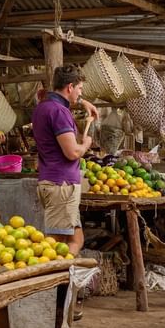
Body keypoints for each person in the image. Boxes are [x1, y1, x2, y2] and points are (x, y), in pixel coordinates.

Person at [32, 65, 98, 257]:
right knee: (54, 245)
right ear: (69, 87)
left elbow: (59, 97)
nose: (80, 94)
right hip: (62, 185)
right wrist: (86, 144)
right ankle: (54, 282)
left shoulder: (42, 107)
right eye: (80, 89)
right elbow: (72, 152)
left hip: (52, 182)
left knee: (76, 239)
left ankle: (66, 284)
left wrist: (83, 101)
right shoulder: (59, 112)